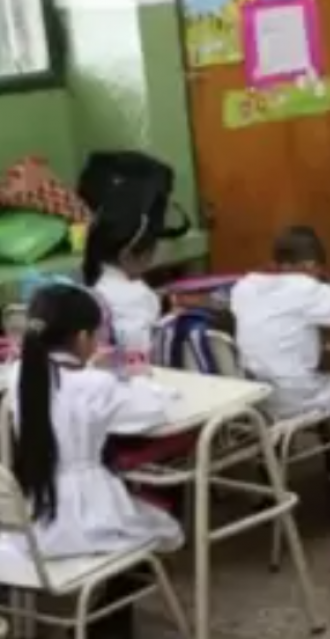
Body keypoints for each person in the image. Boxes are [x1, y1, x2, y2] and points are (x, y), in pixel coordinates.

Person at [0, 285, 184, 639]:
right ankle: (106, 624)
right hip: (88, 513)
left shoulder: (22, 372)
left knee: (146, 528)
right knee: (165, 533)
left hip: (34, 517)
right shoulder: (96, 384)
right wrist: (127, 378)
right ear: (84, 337)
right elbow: (150, 412)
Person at [230, 225, 330, 420]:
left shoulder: (244, 287)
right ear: (310, 265)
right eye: (318, 271)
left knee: (328, 376)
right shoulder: (303, 289)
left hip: (256, 395)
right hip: (294, 397)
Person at [82, 209, 161, 355]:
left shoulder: (95, 289)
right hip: (131, 373)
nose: (151, 261)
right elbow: (138, 354)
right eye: (150, 254)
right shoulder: (138, 295)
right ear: (126, 256)